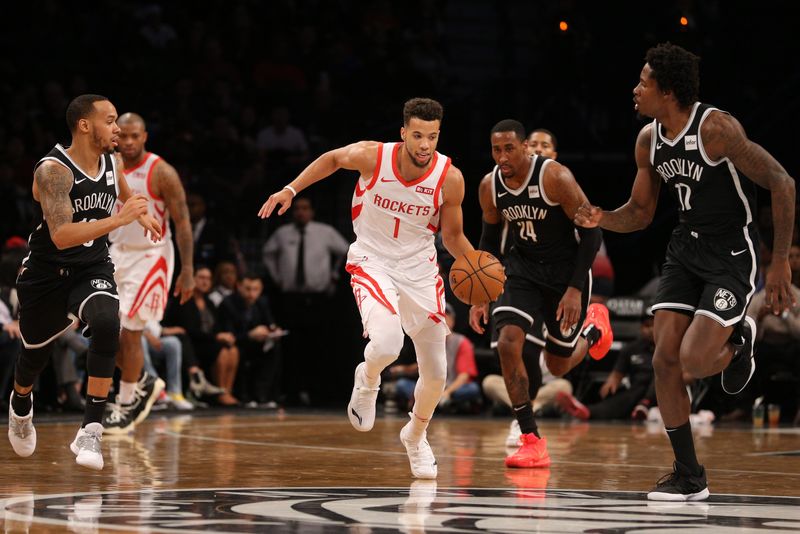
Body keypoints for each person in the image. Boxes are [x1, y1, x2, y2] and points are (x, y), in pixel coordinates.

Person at [574, 42, 796, 501]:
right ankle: (689, 475)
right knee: (663, 358)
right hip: (685, 249)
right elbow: (639, 212)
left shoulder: (716, 130)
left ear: (669, 91)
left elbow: (782, 182)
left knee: (695, 360)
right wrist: (601, 217)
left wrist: (778, 263)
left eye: (643, 82)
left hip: (732, 252)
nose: (635, 90)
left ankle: (739, 344)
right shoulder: (648, 140)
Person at [259, 97, 477, 479]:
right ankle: (369, 377)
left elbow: (454, 237)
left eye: (433, 136)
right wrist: (291, 190)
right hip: (373, 260)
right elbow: (331, 160)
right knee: (388, 344)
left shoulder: (450, 178)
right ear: (403, 133)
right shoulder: (373, 157)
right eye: (418, 135)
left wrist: (477, 268)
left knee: (438, 373)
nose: (426, 145)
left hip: (420, 270)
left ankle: (416, 434)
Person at [7, 94, 161, 470]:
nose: (118, 128)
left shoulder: (111, 160)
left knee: (109, 324)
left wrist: (139, 213)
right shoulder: (52, 171)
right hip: (47, 274)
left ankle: (91, 428)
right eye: (110, 120)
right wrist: (121, 220)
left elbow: (120, 188)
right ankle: (20, 405)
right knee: (33, 358)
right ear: (84, 125)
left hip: (92, 267)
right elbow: (60, 235)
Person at [469, 119, 613, 469]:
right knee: (507, 342)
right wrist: (481, 293)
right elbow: (489, 241)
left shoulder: (554, 177)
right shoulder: (490, 185)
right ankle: (531, 438)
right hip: (522, 270)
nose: (502, 156)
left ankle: (594, 329)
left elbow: (592, 234)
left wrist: (576, 290)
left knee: (557, 365)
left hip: (566, 274)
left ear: (524, 148)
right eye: (495, 149)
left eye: (509, 148)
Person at [102, 112, 194, 434]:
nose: (127, 142)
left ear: (144, 137)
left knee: (129, 327)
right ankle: (142, 378)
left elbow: (182, 222)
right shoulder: (106, 165)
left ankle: (126, 402)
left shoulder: (161, 171)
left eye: (134, 136)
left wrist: (188, 270)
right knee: (99, 329)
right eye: (122, 136)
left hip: (152, 255)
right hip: (116, 253)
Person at [262, 196, 349, 405]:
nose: (301, 212)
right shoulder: (283, 234)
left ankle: (317, 392)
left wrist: (334, 275)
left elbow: (346, 251)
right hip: (290, 298)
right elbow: (267, 254)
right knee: (292, 346)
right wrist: (278, 278)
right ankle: (292, 392)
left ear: (312, 211)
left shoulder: (324, 232)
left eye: (305, 208)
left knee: (318, 346)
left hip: (318, 299)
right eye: (297, 209)